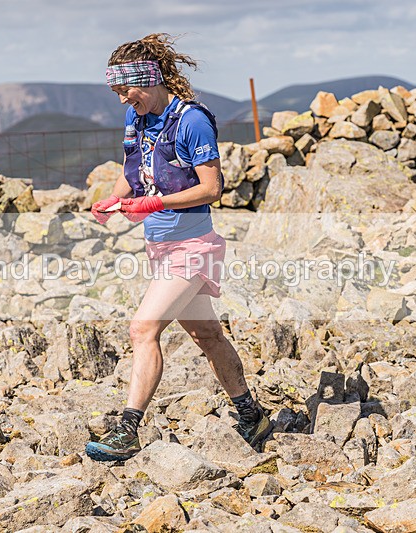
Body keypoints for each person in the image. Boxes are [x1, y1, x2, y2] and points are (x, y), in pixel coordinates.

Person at [85, 34, 271, 462]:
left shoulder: (192, 121)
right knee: (207, 334)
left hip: (194, 245)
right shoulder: (138, 120)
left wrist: (157, 202)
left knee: (142, 329)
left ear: (147, 78)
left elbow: (212, 187)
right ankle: (252, 416)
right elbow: (132, 173)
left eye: (124, 90)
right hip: (160, 248)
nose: (121, 101)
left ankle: (128, 430)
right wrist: (113, 201)